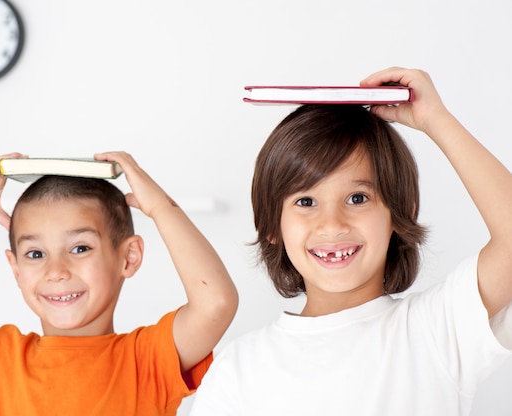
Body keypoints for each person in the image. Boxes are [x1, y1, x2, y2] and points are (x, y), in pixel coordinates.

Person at [190, 67, 512, 415]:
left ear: (400, 212)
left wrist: (436, 119)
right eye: (305, 202)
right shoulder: (238, 369)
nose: (332, 225)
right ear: (272, 224)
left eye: (357, 198)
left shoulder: (437, 330)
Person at [0, 151, 238, 415]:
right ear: (16, 268)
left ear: (128, 258)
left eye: (79, 248)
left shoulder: (147, 360)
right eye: (36, 254)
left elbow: (216, 303)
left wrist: (162, 208)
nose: (56, 271)